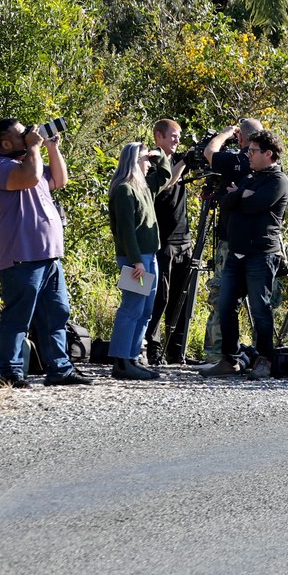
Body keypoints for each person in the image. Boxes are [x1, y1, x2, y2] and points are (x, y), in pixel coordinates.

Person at [0, 117, 89, 387]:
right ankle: (10, 371)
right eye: (21, 135)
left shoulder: (31, 161)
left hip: (49, 255)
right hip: (20, 256)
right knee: (19, 316)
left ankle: (59, 368)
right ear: (6, 143)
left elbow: (60, 179)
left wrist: (51, 147)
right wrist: (34, 148)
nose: (29, 135)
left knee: (57, 313)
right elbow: (29, 178)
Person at [201, 130, 288, 380]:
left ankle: (264, 359)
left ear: (268, 153)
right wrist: (241, 194)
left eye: (252, 151)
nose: (248, 155)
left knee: (261, 309)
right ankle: (230, 359)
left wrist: (237, 194)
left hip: (260, 256)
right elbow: (225, 203)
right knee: (225, 306)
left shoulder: (278, 181)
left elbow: (252, 206)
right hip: (236, 255)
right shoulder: (251, 177)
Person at [198, 118, 263, 360]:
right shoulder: (267, 164)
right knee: (259, 297)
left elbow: (209, 152)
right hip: (259, 240)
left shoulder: (234, 160)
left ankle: (217, 351)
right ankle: (261, 353)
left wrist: (225, 133)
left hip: (230, 238)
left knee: (222, 293)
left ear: (241, 138)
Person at [107, 140, 162, 381]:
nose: (149, 164)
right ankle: (121, 361)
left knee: (145, 310)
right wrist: (136, 260)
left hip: (149, 257)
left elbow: (166, 174)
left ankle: (132, 357)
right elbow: (126, 230)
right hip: (135, 259)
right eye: (145, 159)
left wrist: (158, 154)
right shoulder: (124, 189)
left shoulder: (143, 187)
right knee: (132, 308)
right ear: (133, 161)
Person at [143, 118, 194, 366]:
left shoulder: (179, 159)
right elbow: (165, 183)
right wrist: (184, 162)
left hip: (184, 238)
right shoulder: (150, 161)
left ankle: (176, 351)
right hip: (160, 241)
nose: (177, 140)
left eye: (179, 136)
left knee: (181, 298)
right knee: (157, 297)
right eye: (173, 136)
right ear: (159, 136)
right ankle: (152, 347)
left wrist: (226, 134)